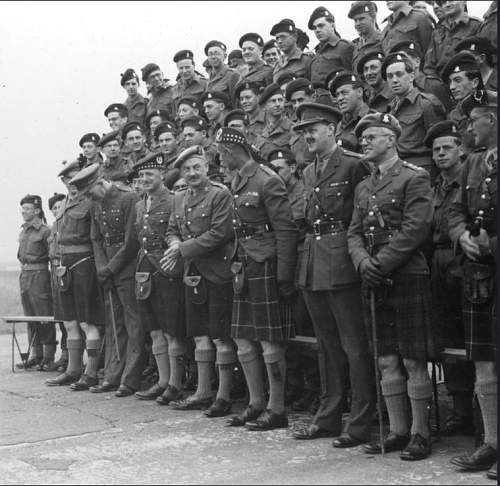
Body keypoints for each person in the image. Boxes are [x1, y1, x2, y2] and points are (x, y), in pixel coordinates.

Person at [347, 112, 435, 461]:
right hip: (373, 278)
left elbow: (416, 229)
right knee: (386, 359)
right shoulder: (364, 185)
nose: (365, 143)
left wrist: (378, 264)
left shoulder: (415, 177)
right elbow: (354, 232)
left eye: (372, 137)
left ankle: (420, 433)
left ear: (392, 140)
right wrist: (362, 263)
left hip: (406, 275)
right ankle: (398, 431)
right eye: (363, 138)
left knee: (413, 358)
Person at [289, 103, 374, 447]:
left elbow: (364, 217)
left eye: (314, 128)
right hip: (312, 263)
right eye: (304, 130)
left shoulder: (355, 165)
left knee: (354, 346)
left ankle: (359, 423)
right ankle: (327, 418)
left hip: (342, 264)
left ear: (334, 129)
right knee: (326, 346)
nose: (308, 135)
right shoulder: (308, 171)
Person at [216, 127, 298, 430]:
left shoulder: (268, 180)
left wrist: (284, 276)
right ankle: (255, 402)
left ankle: (277, 409)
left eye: (221, 154)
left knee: (269, 341)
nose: (220, 160)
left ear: (230, 151)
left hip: (265, 265)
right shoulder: (238, 180)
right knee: (242, 339)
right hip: (244, 264)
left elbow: (286, 230)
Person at [161, 146, 237, 417]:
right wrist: (174, 244)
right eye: (186, 170)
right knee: (200, 335)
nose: (192, 174)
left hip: (218, 273)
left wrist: (182, 249)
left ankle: (224, 396)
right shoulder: (179, 198)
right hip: (192, 275)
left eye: (196, 168)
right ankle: (203, 392)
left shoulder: (220, 194)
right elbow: (171, 230)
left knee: (220, 337)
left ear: (207, 168)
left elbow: (220, 233)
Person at [448, 94, 497, 481]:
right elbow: (453, 209)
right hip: (480, 276)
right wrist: (461, 234)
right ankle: (492, 443)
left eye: (475, 121)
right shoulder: (473, 163)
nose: (469, 129)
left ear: (493, 120)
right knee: (483, 360)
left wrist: (491, 245)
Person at [71, 164, 147, 398]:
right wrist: (102, 267)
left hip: (127, 269)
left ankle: (130, 380)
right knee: (115, 326)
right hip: (108, 272)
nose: (89, 198)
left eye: (89, 192)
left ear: (100, 182)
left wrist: (110, 268)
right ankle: (113, 376)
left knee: (134, 326)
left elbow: (131, 241)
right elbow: (96, 239)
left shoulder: (129, 198)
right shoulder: (96, 204)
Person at [423, 120, 475, 437]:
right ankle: (461, 411)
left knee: (473, 336)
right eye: (436, 150)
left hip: (464, 259)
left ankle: (483, 414)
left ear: (461, 149)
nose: (441, 153)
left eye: (447, 147)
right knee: (448, 336)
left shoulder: (470, 183)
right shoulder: (435, 187)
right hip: (438, 262)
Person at [267, 148, 320, 413]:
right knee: (289, 332)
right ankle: (295, 385)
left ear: (292, 169)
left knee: (306, 330)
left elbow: (295, 229)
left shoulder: (302, 193)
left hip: (302, 266)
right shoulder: (273, 193)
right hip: (280, 267)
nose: (275, 173)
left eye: (280, 168)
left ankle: (313, 389)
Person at [132, 152, 186, 404]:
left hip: (167, 269)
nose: (144, 179)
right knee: (154, 330)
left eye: (150, 174)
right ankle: (163, 381)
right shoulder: (140, 205)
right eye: (141, 175)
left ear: (162, 175)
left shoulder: (175, 200)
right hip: (145, 271)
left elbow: (178, 235)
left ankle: (176, 383)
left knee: (171, 330)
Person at [46, 160, 105, 388]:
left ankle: (90, 373)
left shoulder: (90, 203)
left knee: (87, 322)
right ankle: (73, 369)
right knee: (70, 322)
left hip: (84, 266)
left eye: (73, 179)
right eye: (65, 180)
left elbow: (97, 238)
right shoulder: (64, 204)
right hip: (64, 266)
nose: (70, 185)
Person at [382, 52, 445, 182]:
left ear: (411, 76)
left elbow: (439, 143)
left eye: (399, 74)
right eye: (390, 76)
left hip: (422, 170)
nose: (394, 80)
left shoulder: (426, 104)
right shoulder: (390, 109)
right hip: (396, 169)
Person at [17, 195, 56, 370]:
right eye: (22, 209)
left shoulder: (45, 230)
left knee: (44, 315)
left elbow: (52, 255)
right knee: (30, 316)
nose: (23, 212)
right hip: (24, 276)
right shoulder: (24, 230)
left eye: (27, 209)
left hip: (40, 276)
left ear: (37, 210)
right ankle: (36, 354)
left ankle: (48, 357)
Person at [441, 52, 491, 154]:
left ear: (474, 83)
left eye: (457, 80)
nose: (452, 87)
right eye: (450, 82)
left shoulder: (490, 108)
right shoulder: (453, 115)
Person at [307, 6, 354, 104]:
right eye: (314, 28)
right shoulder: (315, 55)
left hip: (337, 101)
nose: (317, 30)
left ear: (332, 26)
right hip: (316, 102)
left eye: (321, 26)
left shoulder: (344, 47)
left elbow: (353, 76)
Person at [389, 40, 453, 111]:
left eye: (405, 60)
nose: (401, 64)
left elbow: (447, 116)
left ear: (417, 62)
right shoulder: (395, 88)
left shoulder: (435, 86)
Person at [423, 0, 481, 79]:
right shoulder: (438, 30)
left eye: (451, 1)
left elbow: (483, 61)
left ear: (464, 2)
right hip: (439, 82)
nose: (447, 5)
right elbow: (429, 65)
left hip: (466, 81)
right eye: (443, 2)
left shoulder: (476, 26)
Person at [47, 192, 68, 372]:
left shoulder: (68, 223)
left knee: (70, 315)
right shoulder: (54, 226)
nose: (56, 210)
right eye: (53, 208)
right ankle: (65, 355)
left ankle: (70, 357)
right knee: (60, 315)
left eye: (59, 206)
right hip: (54, 269)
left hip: (65, 267)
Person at [328, 71, 371, 153]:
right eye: (337, 95)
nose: (340, 98)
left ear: (359, 92)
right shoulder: (340, 125)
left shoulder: (372, 120)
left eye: (344, 93)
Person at [253, 83, 292, 160]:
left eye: (280, 100)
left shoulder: (292, 129)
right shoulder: (260, 134)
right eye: (273, 101)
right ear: (264, 107)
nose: (278, 104)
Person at [284, 78, 315, 168]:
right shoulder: (293, 129)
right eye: (294, 102)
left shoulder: (325, 123)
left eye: (300, 100)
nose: (297, 105)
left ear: (313, 97)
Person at [349, 1, 383, 74]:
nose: (358, 23)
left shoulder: (383, 40)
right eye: (355, 20)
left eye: (361, 19)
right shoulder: (356, 47)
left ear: (373, 18)